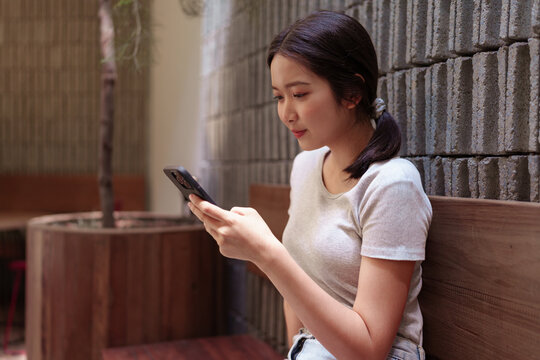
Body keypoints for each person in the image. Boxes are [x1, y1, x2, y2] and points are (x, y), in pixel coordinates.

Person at [188, 10, 432, 360]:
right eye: (279, 97)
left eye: (299, 94)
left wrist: (267, 254)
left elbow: (369, 350)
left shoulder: (392, 185)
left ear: (352, 93)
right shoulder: (305, 167)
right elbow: (299, 289)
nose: (286, 113)